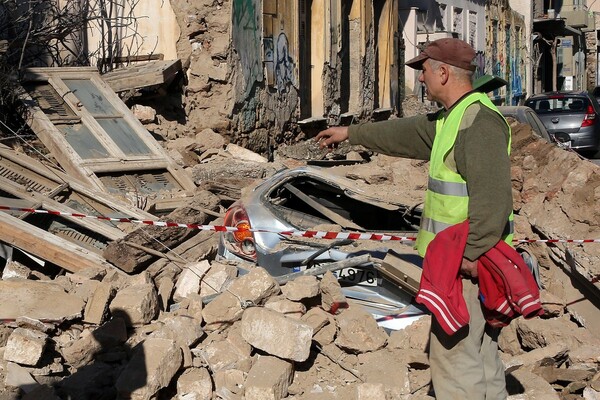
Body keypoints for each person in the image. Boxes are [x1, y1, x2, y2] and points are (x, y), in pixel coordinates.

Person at [315, 38, 513, 400]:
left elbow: (495, 199)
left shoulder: (478, 123)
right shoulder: (453, 118)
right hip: (458, 259)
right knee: (481, 354)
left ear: (443, 72)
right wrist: (351, 133)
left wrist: (472, 255)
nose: (420, 78)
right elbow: (405, 133)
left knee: (455, 357)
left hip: (468, 263)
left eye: (423, 70)